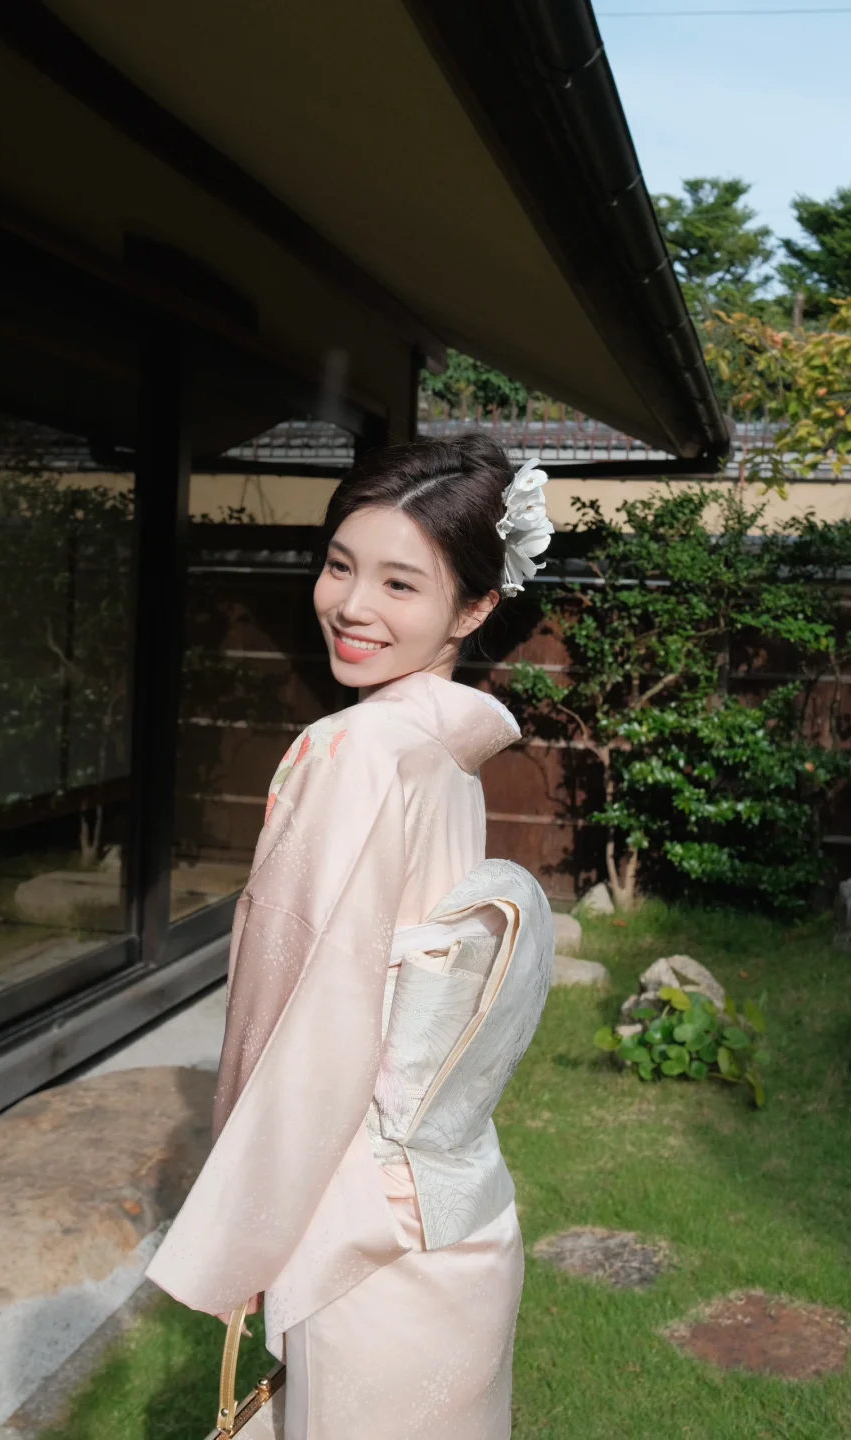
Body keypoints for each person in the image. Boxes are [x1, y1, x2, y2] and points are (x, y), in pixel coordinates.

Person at [145, 433, 557, 1438]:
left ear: (474, 608)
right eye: (339, 566)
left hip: (359, 1221)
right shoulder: (447, 756)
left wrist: (245, 1225)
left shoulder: (355, 749)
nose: (351, 605)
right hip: (458, 1202)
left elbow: (295, 1006)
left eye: (399, 584)